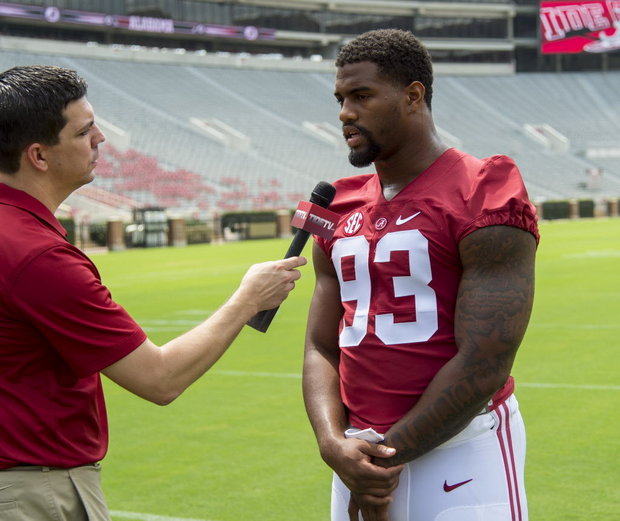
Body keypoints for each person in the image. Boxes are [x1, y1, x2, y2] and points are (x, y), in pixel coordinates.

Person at [0, 65, 306, 520]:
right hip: (33, 490)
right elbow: (159, 379)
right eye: (84, 131)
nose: (101, 138)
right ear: (39, 156)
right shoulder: (38, 255)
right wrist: (248, 300)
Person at [302, 29, 539, 521]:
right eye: (341, 98)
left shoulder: (484, 190)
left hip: (460, 451)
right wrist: (333, 444)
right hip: (357, 457)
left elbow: (483, 362)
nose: (345, 112)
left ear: (413, 95)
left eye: (362, 95)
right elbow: (321, 345)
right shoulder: (338, 205)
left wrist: (386, 456)